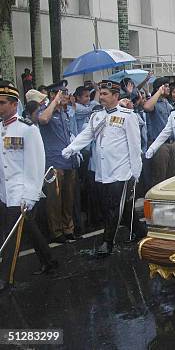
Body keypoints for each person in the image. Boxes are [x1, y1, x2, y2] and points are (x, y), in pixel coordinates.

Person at [61, 79, 142, 256]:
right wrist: (71, 148)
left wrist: (135, 173)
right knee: (115, 206)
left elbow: (135, 147)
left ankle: (107, 242)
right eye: (101, 93)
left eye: (105, 94)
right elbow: (86, 135)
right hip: (103, 170)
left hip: (121, 170)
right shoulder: (96, 116)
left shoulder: (128, 116)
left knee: (113, 207)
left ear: (116, 96)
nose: (101, 97)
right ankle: (140, 230)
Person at [0, 81, 57, 292]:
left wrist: (31, 195)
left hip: (21, 192)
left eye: (2, 103)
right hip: (5, 192)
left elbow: (36, 164)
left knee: (11, 236)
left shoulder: (27, 129)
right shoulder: (1, 128)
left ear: (14, 104)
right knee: (30, 229)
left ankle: (6, 277)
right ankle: (49, 261)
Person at [38, 80, 78, 243]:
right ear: (54, 95)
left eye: (67, 93)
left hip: (69, 161)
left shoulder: (66, 113)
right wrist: (54, 102)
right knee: (54, 200)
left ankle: (68, 228)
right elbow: (43, 120)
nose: (67, 96)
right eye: (63, 93)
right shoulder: (46, 110)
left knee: (68, 198)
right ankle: (56, 232)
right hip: (54, 163)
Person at [143, 77, 175, 189]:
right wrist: (158, 92)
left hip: (171, 143)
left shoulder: (167, 103)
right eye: (165, 86)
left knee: (171, 177)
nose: (168, 88)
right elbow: (147, 107)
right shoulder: (154, 102)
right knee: (159, 177)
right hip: (159, 145)